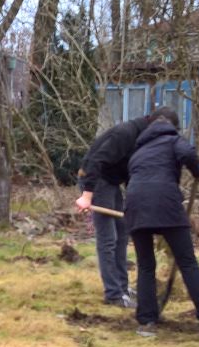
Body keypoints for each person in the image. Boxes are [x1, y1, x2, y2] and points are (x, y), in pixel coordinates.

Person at [121, 114, 199, 340]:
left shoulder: (138, 151)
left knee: (146, 265)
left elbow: (132, 178)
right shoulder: (172, 139)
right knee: (187, 261)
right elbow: (188, 154)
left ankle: (146, 323)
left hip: (136, 206)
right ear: (173, 127)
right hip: (166, 204)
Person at [72, 107, 184, 309]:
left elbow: (135, 173)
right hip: (97, 180)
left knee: (123, 232)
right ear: (157, 123)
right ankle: (113, 294)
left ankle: (122, 288)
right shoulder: (125, 134)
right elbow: (96, 161)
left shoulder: (145, 139)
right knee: (108, 239)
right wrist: (87, 196)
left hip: (112, 182)